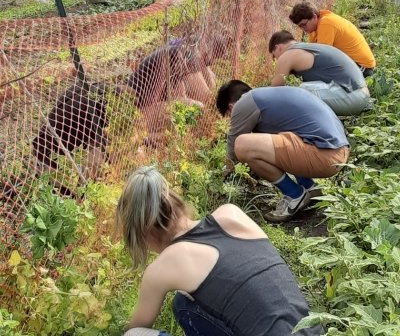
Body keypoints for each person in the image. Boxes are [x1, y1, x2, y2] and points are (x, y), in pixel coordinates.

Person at [116, 166, 324, 336]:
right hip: (311, 331)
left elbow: (136, 326)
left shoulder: (165, 266)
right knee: (184, 300)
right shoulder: (231, 214)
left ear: (144, 230)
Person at [216, 80, 349, 222]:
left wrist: (222, 174)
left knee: (242, 145)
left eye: (230, 115)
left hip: (325, 157)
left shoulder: (244, 103)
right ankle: (309, 187)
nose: (233, 119)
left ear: (231, 107)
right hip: (338, 152)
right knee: (280, 139)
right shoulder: (270, 98)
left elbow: (234, 145)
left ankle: (295, 195)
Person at [127, 35, 229, 145]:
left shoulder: (178, 62)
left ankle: (153, 138)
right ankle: (145, 138)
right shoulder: (166, 60)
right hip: (142, 111)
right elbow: (153, 100)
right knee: (197, 107)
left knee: (192, 109)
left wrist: (183, 107)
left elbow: (181, 95)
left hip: (153, 106)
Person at [31, 80, 114, 194]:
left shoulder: (89, 87)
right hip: (54, 167)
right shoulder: (104, 107)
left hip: (40, 152)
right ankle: (81, 195)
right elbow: (99, 147)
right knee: (100, 156)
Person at [269, 30, 372, 116]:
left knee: (293, 93)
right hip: (361, 94)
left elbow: (275, 91)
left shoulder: (287, 55)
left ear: (278, 47)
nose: (276, 60)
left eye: (274, 56)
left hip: (353, 97)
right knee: (300, 89)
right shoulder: (310, 48)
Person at [289, 1, 376, 77]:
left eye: (304, 24)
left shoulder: (326, 23)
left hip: (363, 68)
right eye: (300, 26)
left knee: (318, 72)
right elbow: (311, 53)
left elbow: (321, 57)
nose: (303, 29)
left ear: (314, 17)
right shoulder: (314, 28)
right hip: (351, 63)